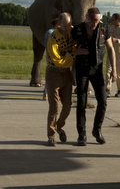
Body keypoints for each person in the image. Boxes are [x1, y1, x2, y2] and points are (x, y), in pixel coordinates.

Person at [72, 7, 116, 146]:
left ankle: (97, 130)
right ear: (87, 18)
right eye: (92, 21)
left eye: (97, 20)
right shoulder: (77, 29)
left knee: (103, 101)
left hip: (97, 69)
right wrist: (77, 52)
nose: (94, 23)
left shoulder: (103, 29)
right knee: (81, 101)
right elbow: (68, 48)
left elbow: (110, 48)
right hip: (82, 68)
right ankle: (81, 134)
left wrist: (114, 70)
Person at [44, 13, 75, 146]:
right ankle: (51, 135)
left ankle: (59, 125)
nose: (68, 27)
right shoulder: (53, 38)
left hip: (67, 73)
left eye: (69, 24)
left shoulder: (73, 32)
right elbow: (58, 61)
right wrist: (72, 55)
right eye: (65, 25)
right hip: (54, 73)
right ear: (59, 25)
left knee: (68, 105)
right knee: (54, 107)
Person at [105, 13, 120, 97]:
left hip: (119, 53)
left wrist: (117, 40)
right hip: (110, 51)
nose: (111, 21)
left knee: (119, 71)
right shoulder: (109, 27)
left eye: (113, 19)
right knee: (108, 70)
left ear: (117, 20)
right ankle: (107, 89)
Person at [42, 17, 58, 101]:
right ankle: (46, 92)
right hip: (51, 57)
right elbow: (47, 45)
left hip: (59, 57)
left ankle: (55, 94)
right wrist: (49, 56)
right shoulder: (50, 32)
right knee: (50, 75)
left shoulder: (59, 32)